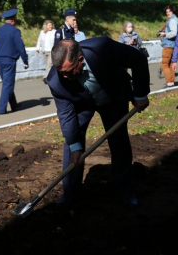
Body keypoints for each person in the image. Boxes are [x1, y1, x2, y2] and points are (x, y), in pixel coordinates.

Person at [46, 38, 150, 208]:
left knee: (119, 141)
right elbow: (66, 115)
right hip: (82, 103)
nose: (65, 76)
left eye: (69, 71)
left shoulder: (102, 49)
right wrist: (75, 146)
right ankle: (70, 194)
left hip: (113, 96)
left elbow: (138, 59)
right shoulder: (56, 81)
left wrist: (140, 95)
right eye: (61, 72)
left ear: (80, 59)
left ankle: (124, 189)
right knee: (72, 144)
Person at [0, 8, 29, 115]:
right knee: (8, 84)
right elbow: (20, 47)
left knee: (7, 83)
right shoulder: (15, 31)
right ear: (13, 20)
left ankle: (14, 105)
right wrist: (25, 61)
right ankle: (1, 109)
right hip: (9, 60)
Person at [159, 5, 178, 88]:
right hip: (173, 45)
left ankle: (168, 82)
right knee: (171, 64)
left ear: (173, 11)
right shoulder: (174, 19)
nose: (167, 13)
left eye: (169, 11)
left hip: (168, 45)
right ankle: (171, 83)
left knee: (164, 64)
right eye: (166, 12)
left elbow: (174, 33)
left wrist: (165, 34)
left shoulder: (172, 20)